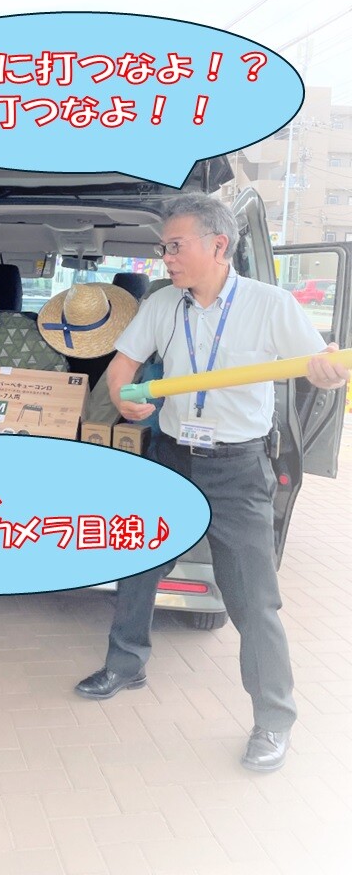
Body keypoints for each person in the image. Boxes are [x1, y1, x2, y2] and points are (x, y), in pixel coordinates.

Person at [74, 194, 349, 772]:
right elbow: (122, 369)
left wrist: (327, 371)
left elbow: (320, 369)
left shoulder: (270, 305)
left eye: (176, 246)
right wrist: (123, 399)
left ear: (218, 245)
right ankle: (126, 663)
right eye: (164, 247)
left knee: (253, 596)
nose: (166, 257)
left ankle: (274, 719)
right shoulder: (161, 304)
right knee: (139, 562)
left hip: (237, 468)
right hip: (172, 455)